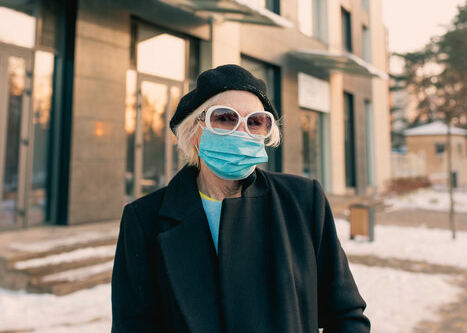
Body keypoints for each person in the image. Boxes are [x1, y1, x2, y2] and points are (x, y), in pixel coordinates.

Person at [111, 64, 370, 333]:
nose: (241, 131)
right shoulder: (144, 219)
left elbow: (346, 314)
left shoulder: (303, 201)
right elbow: (132, 326)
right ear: (193, 131)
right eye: (224, 118)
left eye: (256, 121)